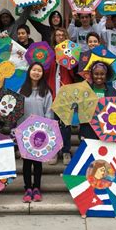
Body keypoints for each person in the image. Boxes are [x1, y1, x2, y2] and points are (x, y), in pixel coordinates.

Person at [19, 62, 53, 203]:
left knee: (38, 162)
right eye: (34, 70)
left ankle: (37, 187)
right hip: (25, 132)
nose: (36, 72)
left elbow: (49, 111)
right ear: (29, 71)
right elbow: (17, 111)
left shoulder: (46, 91)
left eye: (39, 70)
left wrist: (46, 129)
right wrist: (17, 129)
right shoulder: (21, 90)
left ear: (42, 74)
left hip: (40, 132)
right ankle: (27, 188)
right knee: (26, 162)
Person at [47, 27, 74, 165]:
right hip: (52, 92)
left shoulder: (71, 53)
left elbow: (74, 74)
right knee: (52, 123)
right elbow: (45, 72)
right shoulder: (49, 53)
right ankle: (54, 151)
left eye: (62, 35)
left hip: (65, 93)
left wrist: (65, 62)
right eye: (57, 35)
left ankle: (66, 151)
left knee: (66, 125)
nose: (60, 37)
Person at [79, 62, 116, 141]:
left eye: (102, 74)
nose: (99, 77)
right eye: (96, 74)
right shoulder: (85, 90)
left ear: (106, 75)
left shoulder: (113, 92)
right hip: (88, 130)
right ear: (92, 75)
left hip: (106, 131)